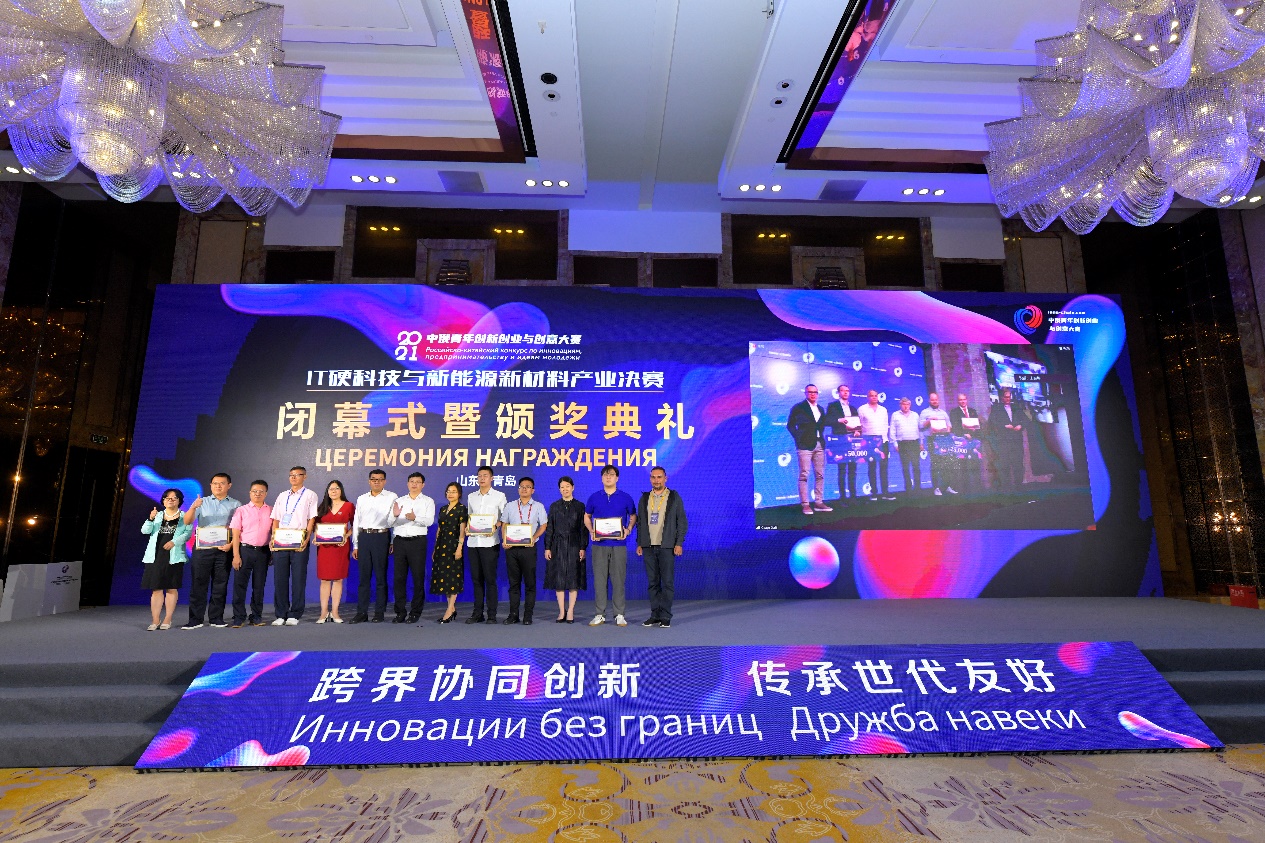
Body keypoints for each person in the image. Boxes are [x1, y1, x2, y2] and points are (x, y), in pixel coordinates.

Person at [181, 473, 240, 630]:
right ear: (211, 485)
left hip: (224, 549)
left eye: (222, 483)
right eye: (215, 483)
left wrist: (231, 544)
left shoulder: (236, 504)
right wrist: (193, 507)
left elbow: (239, 529)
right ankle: (195, 619)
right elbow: (186, 521)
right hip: (202, 548)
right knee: (198, 583)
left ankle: (216, 618)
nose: (218, 486)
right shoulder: (202, 502)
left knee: (220, 584)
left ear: (229, 485)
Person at [585, 464, 637, 627]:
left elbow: (633, 516)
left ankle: (619, 614)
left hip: (619, 544)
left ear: (617, 478)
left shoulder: (625, 497)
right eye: (605, 475)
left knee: (618, 580)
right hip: (599, 544)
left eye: (611, 474)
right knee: (599, 581)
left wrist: (628, 529)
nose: (608, 477)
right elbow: (587, 516)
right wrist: (591, 530)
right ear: (601, 478)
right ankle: (599, 614)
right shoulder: (594, 497)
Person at [636, 466, 687, 629]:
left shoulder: (674, 497)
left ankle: (665, 616)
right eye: (653, 477)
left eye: (659, 477)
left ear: (665, 478)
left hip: (667, 546)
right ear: (650, 479)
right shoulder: (645, 498)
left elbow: (682, 522)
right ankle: (655, 615)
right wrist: (639, 542)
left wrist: (679, 543)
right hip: (648, 546)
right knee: (652, 583)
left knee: (667, 583)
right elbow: (640, 522)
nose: (656, 480)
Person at [269, 466, 319, 625]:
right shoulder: (282, 495)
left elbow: (311, 518)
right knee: (280, 579)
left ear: (305, 477)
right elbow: (276, 518)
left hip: (299, 540)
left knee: (298, 579)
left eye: (297, 475)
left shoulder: (310, 495)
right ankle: (280, 614)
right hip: (281, 541)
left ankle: (295, 614)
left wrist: (307, 537)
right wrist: (273, 537)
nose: (294, 477)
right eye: (291, 475)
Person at [141, 489, 193, 631]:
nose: (170, 500)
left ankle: (167, 619)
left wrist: (174, 542)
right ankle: (155, 620)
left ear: (179, 501)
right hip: (155, 556)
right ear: (163, 500)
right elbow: (145, 531)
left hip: (174, 556)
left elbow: (188, 533)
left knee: (171, 587)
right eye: (167, 498)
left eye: (174, 498)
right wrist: (150, 519)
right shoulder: (157, 515)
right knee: (156, 588)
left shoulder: (184, 516)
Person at [350, 469, 397, 624]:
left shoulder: (392, 497)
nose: (377, 482)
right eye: (374, 479)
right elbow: (356, 521)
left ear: (385, 481)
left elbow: (395, 521)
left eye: (380, 479)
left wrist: (392, 541)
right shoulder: (362, 498)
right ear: (369, 481)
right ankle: (361, 612)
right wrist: (356, 544)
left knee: (380, 577)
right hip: (364, 537)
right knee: (363, 578)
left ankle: (379, 612)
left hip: (381, 537)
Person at [500, 476, 547, 625]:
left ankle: (528, 615)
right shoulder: (510, 505)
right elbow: (504, 524)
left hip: (529, 549)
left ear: (533, 490)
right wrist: (505, 539)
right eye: (522, 486)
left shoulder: (538, 506)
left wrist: (533, 537)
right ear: (518, 489)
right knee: (513, 583)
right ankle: (513, 614)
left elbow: (543, 525)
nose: (524, 489)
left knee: (530, 583)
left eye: (528, 487)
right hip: (512, 549)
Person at [465, 466, 507, 624]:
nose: (482, 478)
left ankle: (491, 614)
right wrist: (468, 528)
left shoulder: (499, 496)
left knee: (490, 580)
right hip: (473, 542)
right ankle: (477, 613)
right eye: (479, 476)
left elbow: (504, 517)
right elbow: (470, 517)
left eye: (485, 475)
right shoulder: (471, 496)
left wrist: (496, 526)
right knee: (476, 580)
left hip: (490, 543)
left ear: (491, 478)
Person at [390, 471, 434, 624]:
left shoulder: (428, 501)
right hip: (400, 542)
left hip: (417, 542)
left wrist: (416, 518)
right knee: (399, 578)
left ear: (423, 485)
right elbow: (390, 522)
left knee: (418, 577)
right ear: (407, 483)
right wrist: (395, 515)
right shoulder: (399, 500)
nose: (414, 484)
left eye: (417, 482)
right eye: (412, 481)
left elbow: (429, 521)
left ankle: (415, 612)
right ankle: (400, 612)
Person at [544, 475, 587, 624]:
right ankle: (562, 611)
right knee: (559, 579)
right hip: (557, 545)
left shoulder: (580, 506)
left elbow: (583, 529)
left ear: (572, 487)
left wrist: (583, 547)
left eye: (567, 486)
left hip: (575, 544)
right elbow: (550, 528)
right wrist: (547, 547)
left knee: (573, 579)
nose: (565, 489)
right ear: (559, 489)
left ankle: (571, 611)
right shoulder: (554, 506)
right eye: (562, 487)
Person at [229, 480, 272, 627]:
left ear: (266, 493)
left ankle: (256, 616)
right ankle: (239, 616)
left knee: (259, 586)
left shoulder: (271, 511)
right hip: (244, 551)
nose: (257, 494)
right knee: (239, 585)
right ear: (250, 493)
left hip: (263, 552)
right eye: (254, 491)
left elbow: (275, 533)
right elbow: (235, 535)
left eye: (261, 491)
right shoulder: (241, 510)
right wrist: (236, 555)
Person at [786, 384, 831, 515]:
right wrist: (798, 438)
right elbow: (790, 425)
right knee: (804, 475)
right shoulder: (799, 407)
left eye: (815, 392)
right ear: (805, 393)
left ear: (817, 394)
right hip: (804, 445)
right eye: (810, 392)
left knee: (820, 475)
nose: (813, 394)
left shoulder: (820, 408)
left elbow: (822, 425)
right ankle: (805, 504)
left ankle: (818, 502)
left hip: (819, 445)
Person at [314, 479, 354, 624]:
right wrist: (316, 537)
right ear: (327, 492)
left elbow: (355, 525)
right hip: (325, 549)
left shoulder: (349, 506)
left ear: (341, 490)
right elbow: (316, 526)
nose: (334, 491)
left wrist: (346, 536)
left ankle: (335, 612)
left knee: (338, 579)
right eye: (331, 489)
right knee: (324, 579)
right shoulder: (322, 507)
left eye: (336, 488)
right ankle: (323, 612)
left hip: (341, 547)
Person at [430, 482, 466, 623]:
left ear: (459, 494)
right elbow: (439, 529)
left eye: (454, 491)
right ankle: (451, 608)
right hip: (441, 546)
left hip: (453, 546)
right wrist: (435, 548)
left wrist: (459, 548)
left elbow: (462, 531)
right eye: (448, 491)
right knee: (444, 578)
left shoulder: (461, 509)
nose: (450, 494)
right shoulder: (443, 509)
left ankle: (450, 609)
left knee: (453, 578)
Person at [824, 384, 858, 505]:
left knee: (853, 470)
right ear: (838, 393)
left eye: (847, 391)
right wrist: (839, 420)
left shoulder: (853, 408)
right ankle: (843, 498)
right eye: (843, 391)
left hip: (852, 442)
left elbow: (857, 425)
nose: (845, 392)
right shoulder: (833, 406)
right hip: (840, 441)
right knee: (842, 470)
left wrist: (857, 431)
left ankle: (853, 497)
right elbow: (826, 421)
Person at [858, 390, 894, 501]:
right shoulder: (862, 409)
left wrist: (885, 439)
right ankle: (873, 493)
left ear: (878, 397)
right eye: (871, 396)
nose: (874, 397)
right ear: (868, 397)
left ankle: (885, 493)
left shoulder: (883, 410)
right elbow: (859, 426)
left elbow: (885, 425)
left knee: (884, 468)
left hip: (883, 441)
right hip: (869, 443)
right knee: (871, 468)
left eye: (875, 396)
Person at [989, 387, 1026, 489]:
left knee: (1018, 462)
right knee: (1005, 463)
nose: (1008, 399)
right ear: (1002, 397)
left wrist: (1020, 426)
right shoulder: (996, 408)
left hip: (1016, 440)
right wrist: (1004, 426)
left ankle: (1019, 484)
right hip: (1004, 441)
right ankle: (1007, 486)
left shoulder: (1016, 407)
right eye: (1006, 397)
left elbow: (1025, 420)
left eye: (1009, 397)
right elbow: (992, 422)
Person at [918, 392, 955, 495]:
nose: (934, 401)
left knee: (946, 463)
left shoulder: (943, 412)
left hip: (944, 439)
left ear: (938, 400)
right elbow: (920, 426)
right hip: (932, 440)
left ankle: (946, 486)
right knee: (935, 464)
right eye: (932, 400)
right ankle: (936, 488)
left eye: (936, 399)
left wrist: (947, 430)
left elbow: (949, 425)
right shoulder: (925, 412)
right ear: (929, 401)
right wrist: (930, 420)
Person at [950, 393, 983, 494]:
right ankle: (966, 490)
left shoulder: (973, 411)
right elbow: (955, 427)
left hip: (974, 441)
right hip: (962, 442)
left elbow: (977, 426)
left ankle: (978, 488)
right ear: (958, 401)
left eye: (964, 399)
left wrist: (973, 433)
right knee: (964, 466)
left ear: (966, 400)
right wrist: (964, 434)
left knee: (975, 464)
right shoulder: (954, 412)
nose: (962, 401)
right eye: (960, 400)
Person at [889, 398, 922, 496]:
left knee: (916, 467)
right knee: (905, 467)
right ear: (900, 405)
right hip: (902, 444)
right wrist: (895, 444)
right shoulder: (895, 415)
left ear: (910, 405)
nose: (906, 406)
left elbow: (920, 429)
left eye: (907, 404)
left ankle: (918, 489)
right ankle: (908, 489)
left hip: (914, 443)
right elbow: (892, 430)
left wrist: (921, 442)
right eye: (904, 404)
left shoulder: (915, 415)